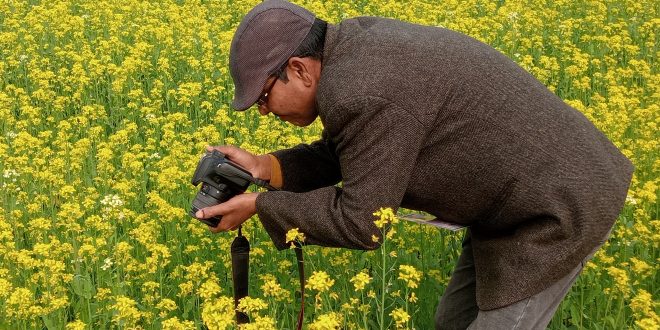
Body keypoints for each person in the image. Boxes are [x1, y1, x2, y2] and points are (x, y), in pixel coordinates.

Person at [193, 1, 634, 328]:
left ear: (300, 69)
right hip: (510, 203)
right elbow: (351, 150)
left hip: (555, 209)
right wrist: (264, 167)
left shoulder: (361, 88)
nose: (265, 111)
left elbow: (361, 222)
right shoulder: (351, 51)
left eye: (264, 96)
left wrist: (258, 207)